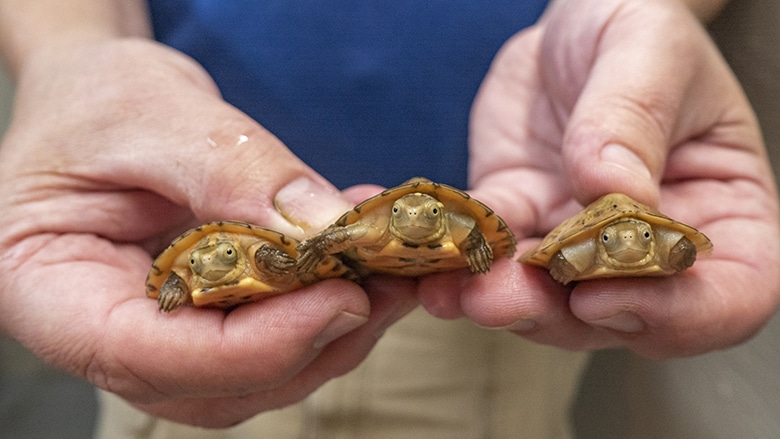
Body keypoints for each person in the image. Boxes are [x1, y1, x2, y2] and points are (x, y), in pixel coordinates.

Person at [0, 0, 776, 437]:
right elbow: (315, 241)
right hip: (176, 257)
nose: (406, 220)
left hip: (485, 308)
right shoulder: (312, 241)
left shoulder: (465, 236)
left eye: (417, 215)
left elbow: (495, 244)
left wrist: (642, 11)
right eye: (397, 214)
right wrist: (67, 53)